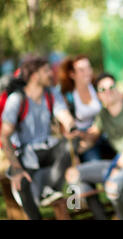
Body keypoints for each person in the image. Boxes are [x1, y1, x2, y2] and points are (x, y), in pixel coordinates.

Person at [65, 73, 123, 220]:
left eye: (111, 87)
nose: (108, 91)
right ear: (98, 95)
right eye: (103, 89)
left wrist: (117, 169)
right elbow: (92, 137)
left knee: (112, 187)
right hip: (121, 161)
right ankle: (100, 215)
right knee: (74, 174)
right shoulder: (103, 115)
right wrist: (77, 136)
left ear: (117, 89)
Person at [0, 56, 80, 220]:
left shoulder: (51, 94)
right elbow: (5, 136)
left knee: (71, 143)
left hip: (48, 148)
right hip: (26, 154)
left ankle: (49, 189)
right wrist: (16, 168)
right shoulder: (16, 100)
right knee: (21, 183)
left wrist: (72, 127)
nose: (51, 74)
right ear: (35, 76)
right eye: (46, 71)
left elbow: (65, 116)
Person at [59, 55, 116, 162]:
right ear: (72, 74)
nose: (87, 72)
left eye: (89, 68)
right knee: (94, 163)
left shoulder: (96, 88)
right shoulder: (68, 97)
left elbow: (112, 106)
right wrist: (85, 136)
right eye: (81, 70)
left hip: (102, 131)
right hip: (82, 138)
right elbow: (66, 131)